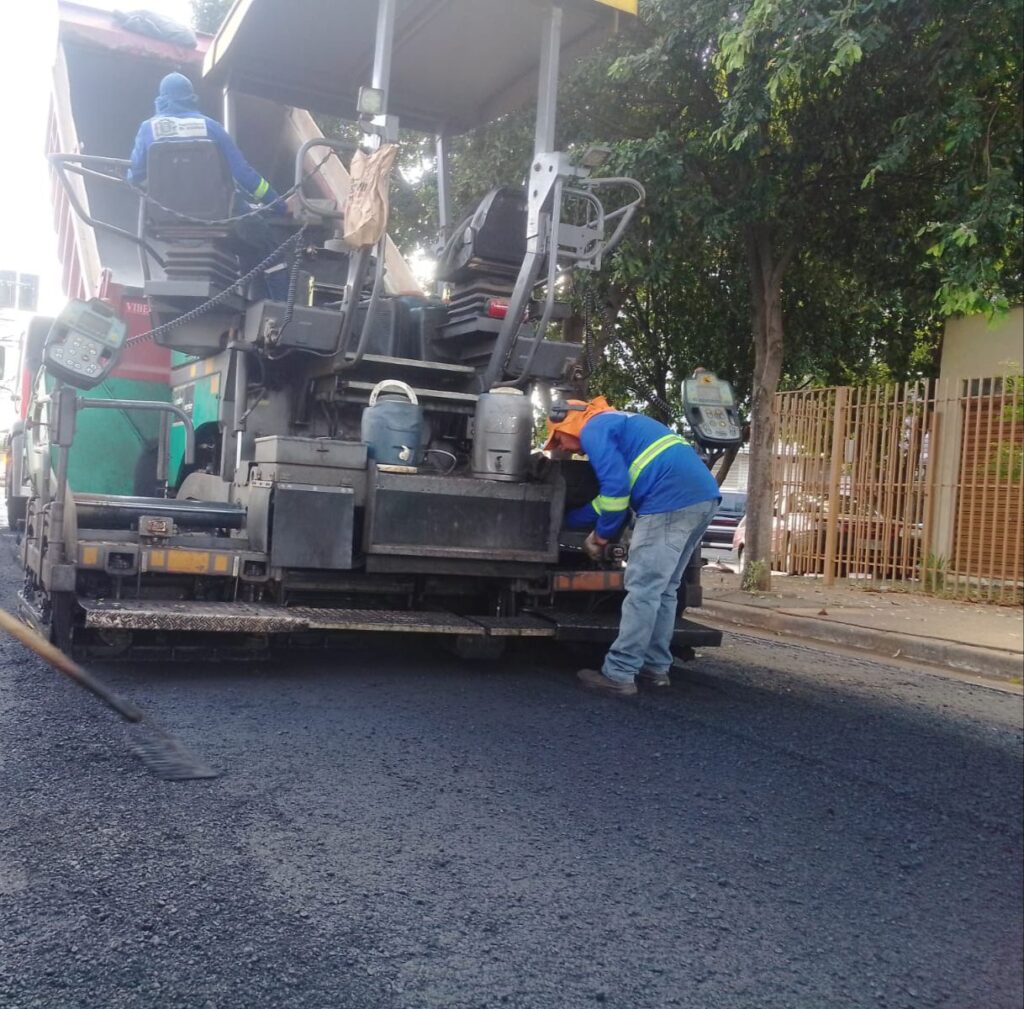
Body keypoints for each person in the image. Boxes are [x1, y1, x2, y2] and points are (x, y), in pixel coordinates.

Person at [545, 396, 721, 697]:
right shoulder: (619, 422)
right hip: (702, 497)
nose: (560, 448)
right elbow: (608, 502)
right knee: (664, 589)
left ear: (569, 422)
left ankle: (620, 673)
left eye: (557, 439)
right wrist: (569, 519)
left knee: (643, 588)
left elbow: (615, 492)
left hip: (668, 499)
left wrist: (600, 538)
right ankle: (655, 669)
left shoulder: (593, 429)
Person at [128, 73, 289, 298]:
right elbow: (244, 174)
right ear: (191, 97)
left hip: (167, 219)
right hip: (219, 218)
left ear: (161, 98)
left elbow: (134, 176)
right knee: (271, 249)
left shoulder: (148, 129)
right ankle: (281, 312)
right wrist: (279, 204)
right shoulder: (211, 127)